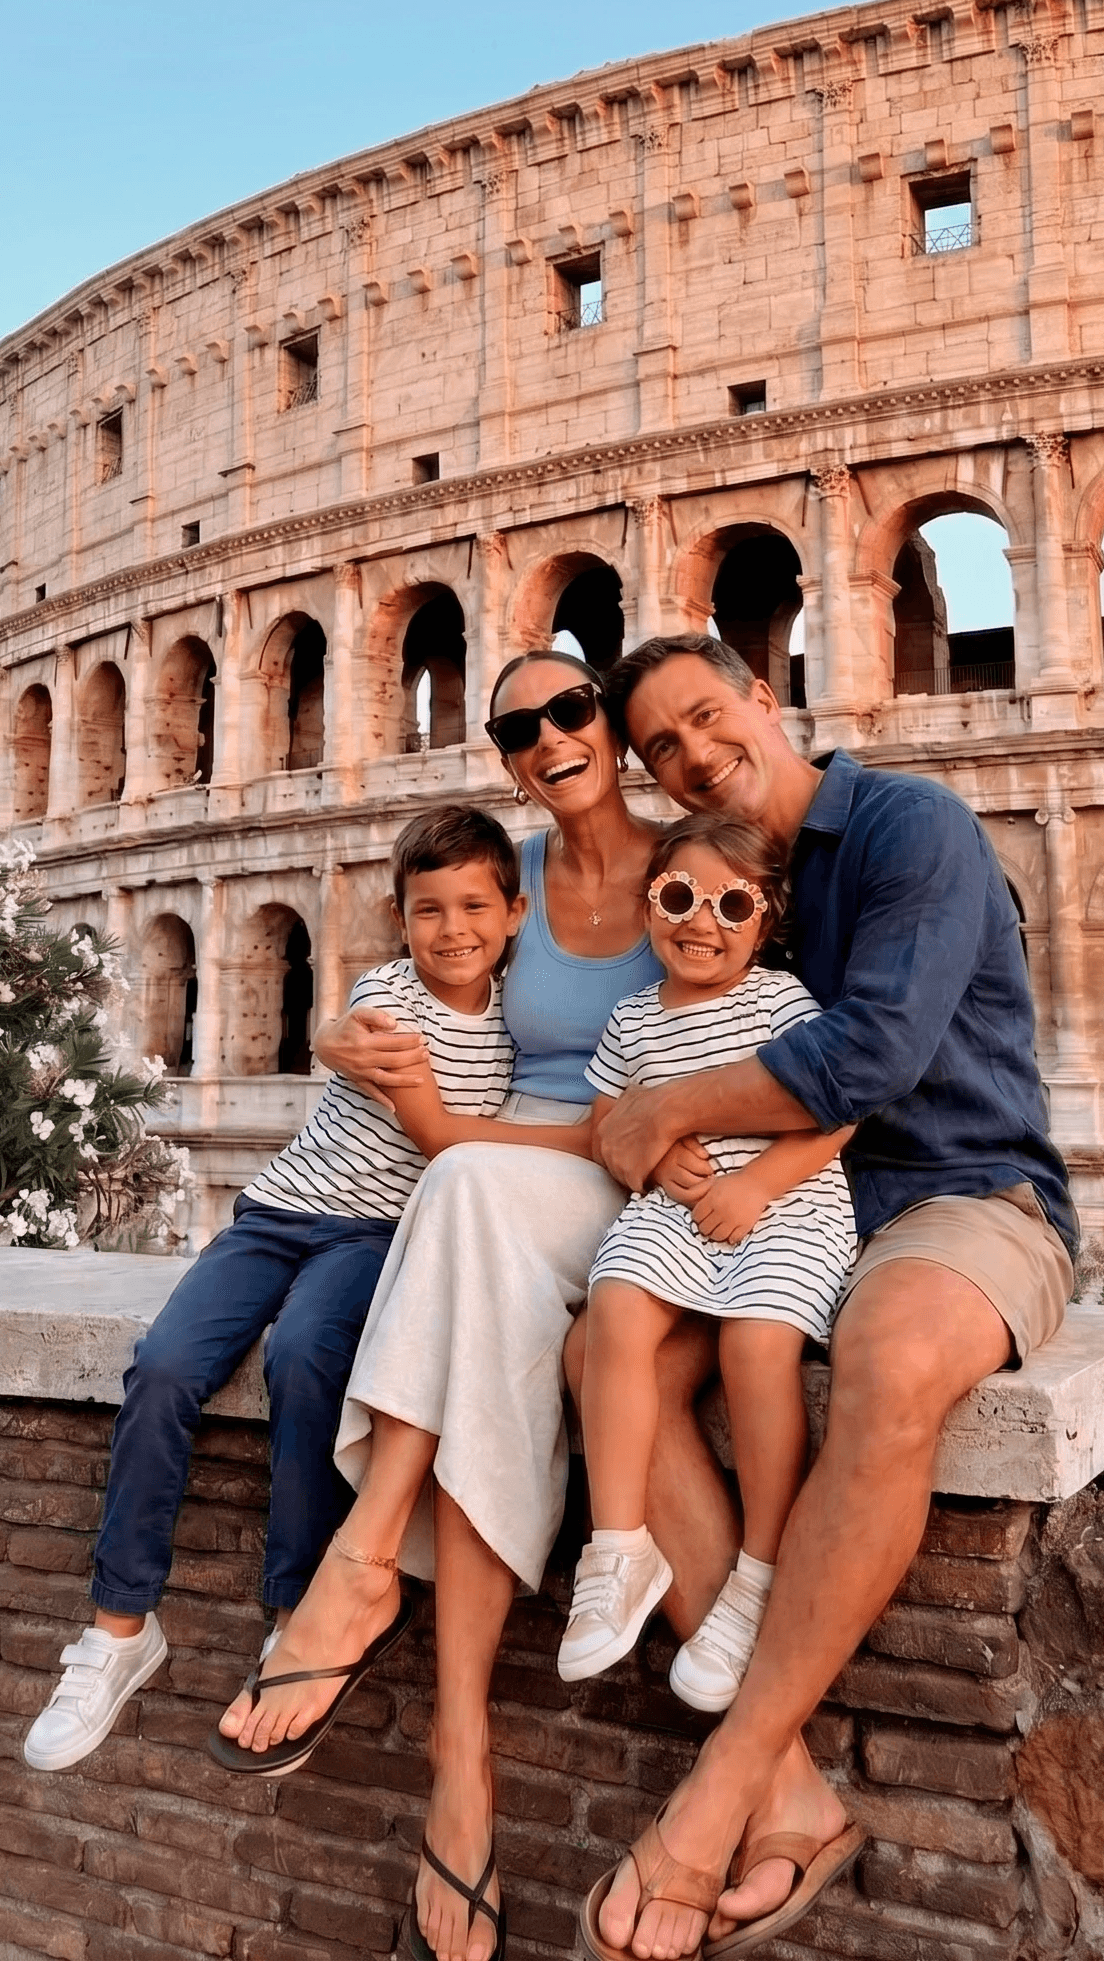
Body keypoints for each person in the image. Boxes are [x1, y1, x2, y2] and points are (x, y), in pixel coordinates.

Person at [578, 633, 1077, 1961]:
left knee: (895, 1363)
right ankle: (794, 1781)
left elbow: (875, 1050)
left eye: (702, 717)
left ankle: (723, 1784)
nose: (690, 754)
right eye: (660, 751)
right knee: (606, 1357)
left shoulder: (910, 825)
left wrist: (664, 1110)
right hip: (798, 1206)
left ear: (762, 693)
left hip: (963, 1190)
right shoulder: (732, 881)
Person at [215, 651, 673, 1961]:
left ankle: (363, 1568)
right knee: (481, 1295)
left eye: (572, 709)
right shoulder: (507, 879)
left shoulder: (687, 865)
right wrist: (333, 1039)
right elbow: (397, 991)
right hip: (484, 1172)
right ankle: (456, 1763)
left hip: (609, 1164)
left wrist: (465, 1135)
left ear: (612, 724)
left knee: (461, 1187)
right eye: (517, 725)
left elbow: (701, 1067)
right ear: (509, 756)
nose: (549, 736)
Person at [24, 804, 520, 1776]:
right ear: (399, 915)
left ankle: (294, 1613)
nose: (451, 929)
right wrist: (337, 1032)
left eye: (473, 906)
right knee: (163, 1365)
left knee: (304, 1361)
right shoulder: (387, 993)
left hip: (377, 1235)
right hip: (278, 1210)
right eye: (428, 909)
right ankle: (119, 1625)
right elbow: (432, 1128)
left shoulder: (513, 1034)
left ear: (513, 912)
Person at [560, 815, 855, 1715]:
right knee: (612, 1309)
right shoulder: (632, 1015)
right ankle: (618, 1547)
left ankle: (759, 1570)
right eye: (680, 897)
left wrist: (759, 1182)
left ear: (764, 923)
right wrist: (647, 1157)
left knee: (756, 1349)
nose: (703, 922)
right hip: (677, 1207)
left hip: (786, 1204)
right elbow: (609, 1126)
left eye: (733, 905)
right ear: (650, 905)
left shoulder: (781, 1002)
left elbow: (838, 1111)